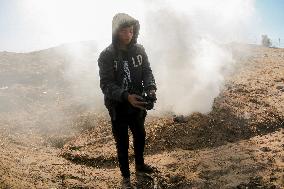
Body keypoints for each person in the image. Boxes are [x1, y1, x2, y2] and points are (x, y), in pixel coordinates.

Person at [98, 13, 157, 188]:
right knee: (122, 142)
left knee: (140, 135)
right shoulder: (106, 55)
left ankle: (140, 166)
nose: (128, 35)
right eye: (124, 31)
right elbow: (106, 84)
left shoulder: (140, 50)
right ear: (116, 32)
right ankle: (125, 178)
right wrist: (125, 96)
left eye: (131, 31)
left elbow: (147, 71)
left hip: (137, 103)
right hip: (118, 106)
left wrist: (151, 88)